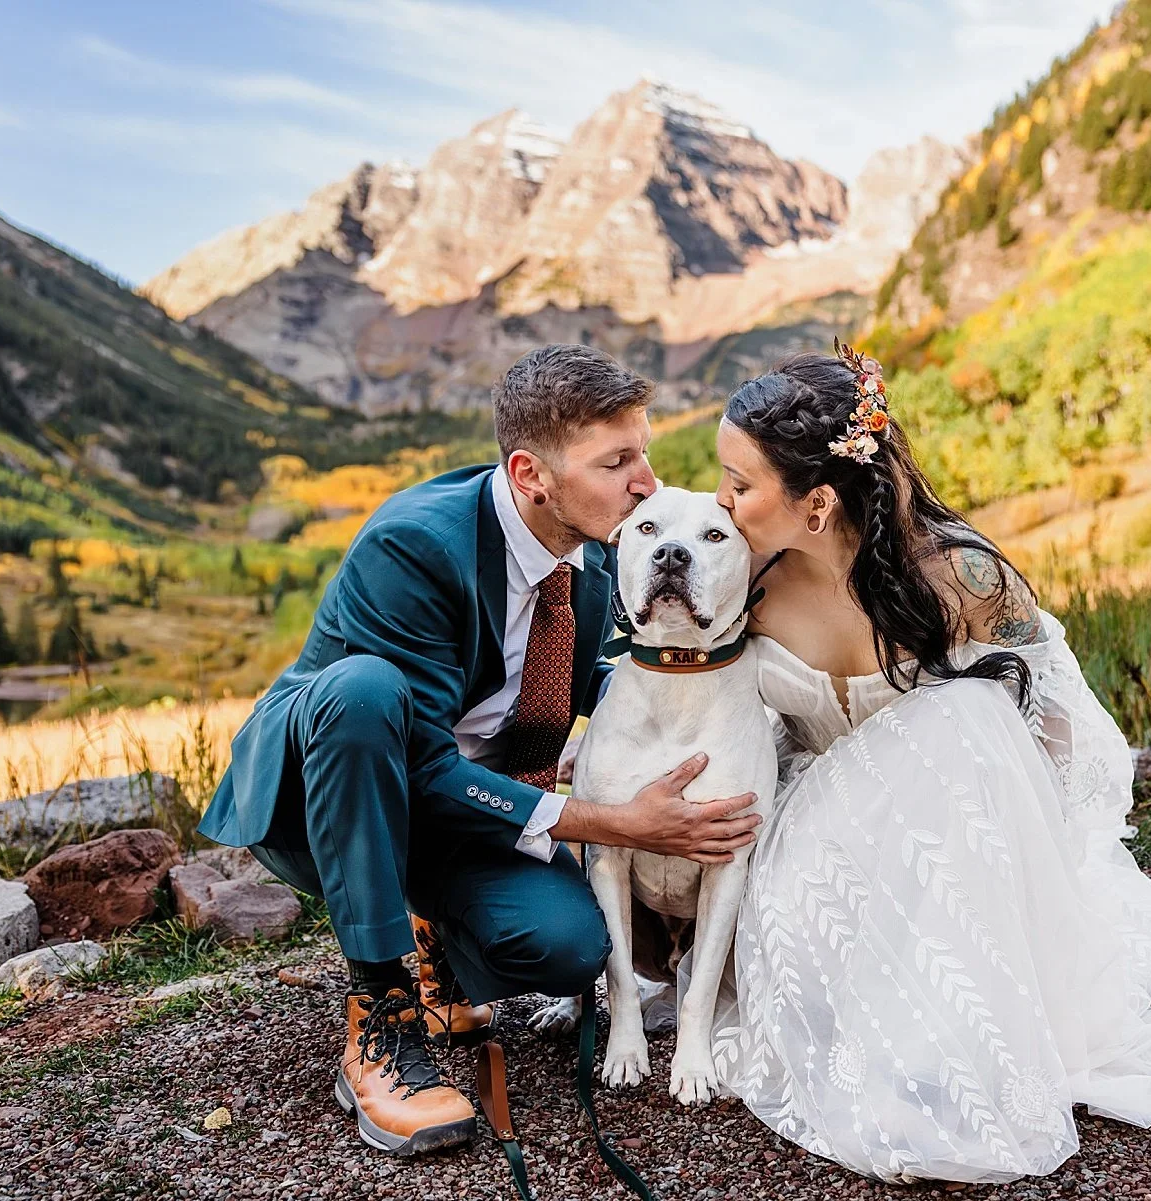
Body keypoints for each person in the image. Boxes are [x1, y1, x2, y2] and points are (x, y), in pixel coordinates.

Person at [198, 344, 760, 1156]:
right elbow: (419, 763)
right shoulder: (412, 546)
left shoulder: (603, 553)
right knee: (364, 693)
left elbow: (625, 676)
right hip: (337, 795)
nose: (646, 480)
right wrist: (615, 821)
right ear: (532, 474)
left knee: (568, 947)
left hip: (470, 804)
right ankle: (381, 1016)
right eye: (617, 461)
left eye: (642, 451)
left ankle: (436, 933)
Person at [705, 345, 1151, 1183]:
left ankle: (953, 1054)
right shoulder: (741, 579)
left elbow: (1055, 708)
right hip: (817, 835)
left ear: (815, 506)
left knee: (962, 713)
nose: (720, 500)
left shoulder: (958, 574)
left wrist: (1039, 846)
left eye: (740, 484)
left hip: (946, 835)